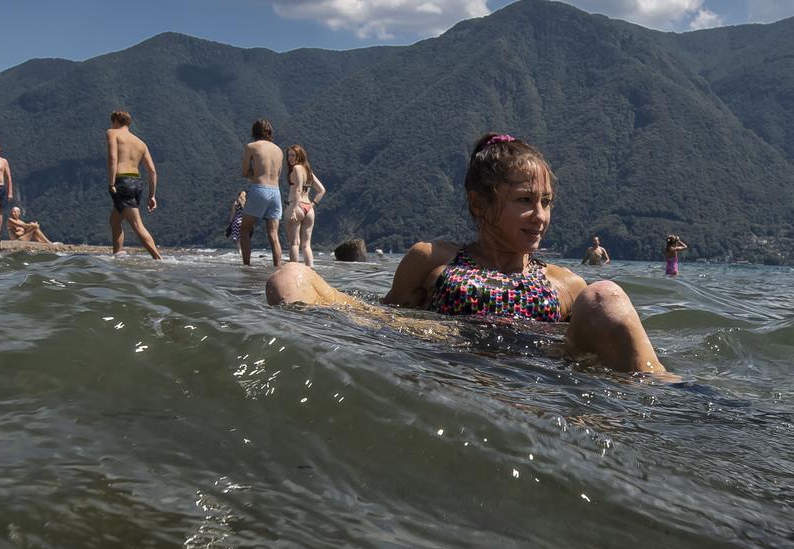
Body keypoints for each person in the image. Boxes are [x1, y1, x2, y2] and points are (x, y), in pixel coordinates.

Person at [266, 133, 667, 374]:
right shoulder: (433, 260)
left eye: (546, 202)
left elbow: (574, 349)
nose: (540, 215)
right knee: (289, 276)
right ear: (479, 204)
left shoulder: (565, 284)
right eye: (525, 200)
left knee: (606, 295)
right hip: (446, 365)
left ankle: (667, 397)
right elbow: (385, 317)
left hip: (539, 383)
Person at [105, 110, 162, 259]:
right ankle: (118, 256)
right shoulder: (140, 143)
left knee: (137, 224)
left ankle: (158, 259)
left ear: (115, 121)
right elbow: (152, 172)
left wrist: (111, 183)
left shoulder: (112, 133)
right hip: (137, 184)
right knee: (114, 220)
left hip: (122, 182)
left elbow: (112, 158)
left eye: (112, 122)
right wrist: (152, 196)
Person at [239, 120, 284, 266]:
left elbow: (245, 172)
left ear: (254, 132)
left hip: (259, 188)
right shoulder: (279, 150)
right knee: (273, 235)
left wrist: (254, 174)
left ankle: (246, 266)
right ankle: (278, 267)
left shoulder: (251, 147)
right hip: (275, 192)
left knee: (245, 230)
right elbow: (278, 174)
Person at [285, 144, 326, 267]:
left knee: (294, 243)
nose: (290, 158)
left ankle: (294, 272)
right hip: (308, 209)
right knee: (306, 245)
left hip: (295, 206)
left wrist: (292, 210)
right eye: (289, 155)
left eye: (293, 155)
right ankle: (311, 272)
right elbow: (322, 190)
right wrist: (312, 205)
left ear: (300, 156)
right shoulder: (308, 171)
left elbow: (297, 189)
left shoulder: (296, 168)